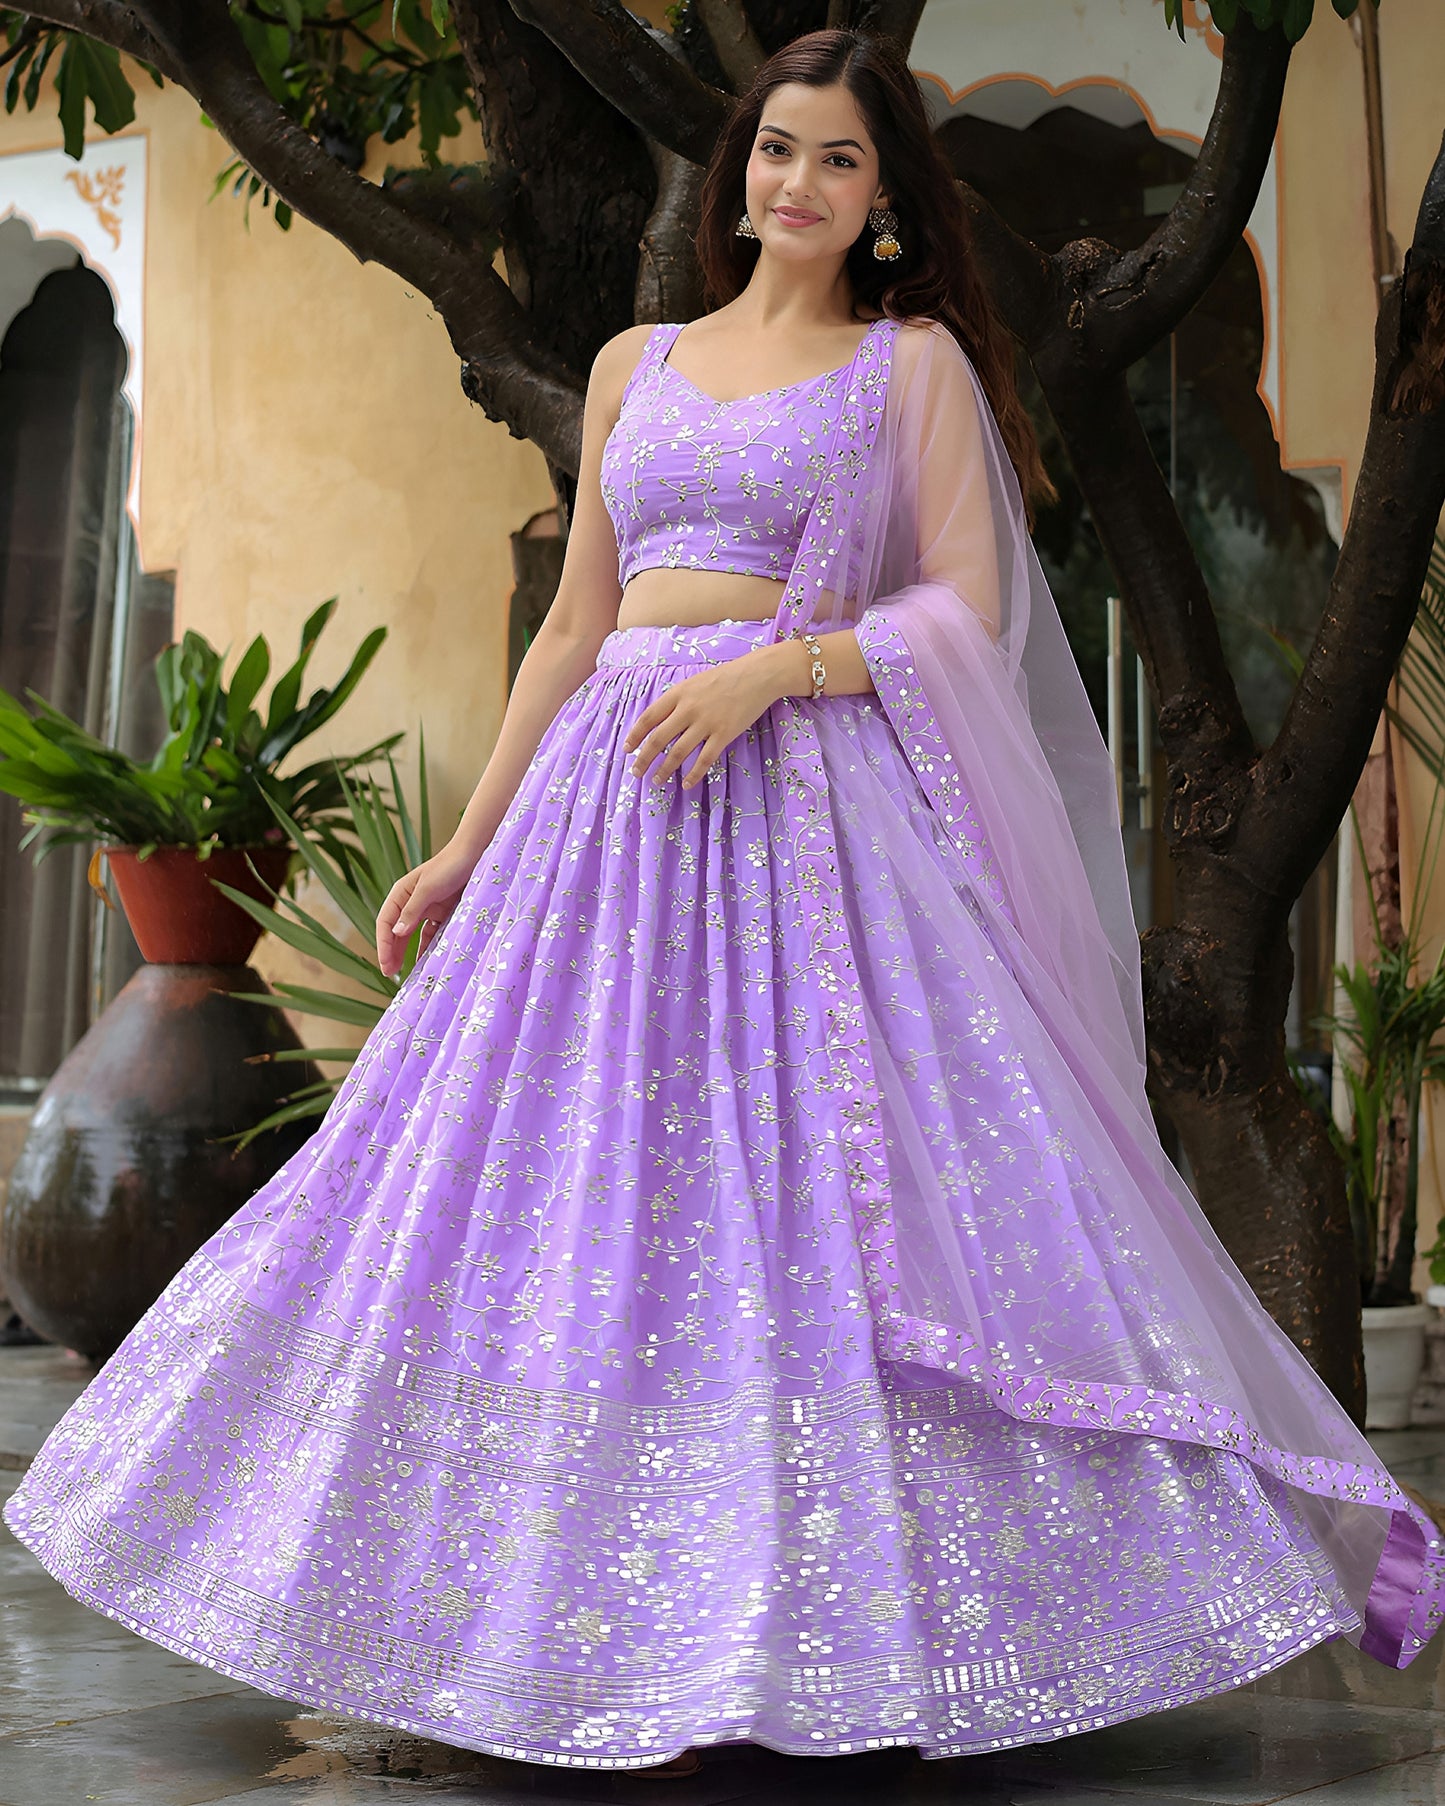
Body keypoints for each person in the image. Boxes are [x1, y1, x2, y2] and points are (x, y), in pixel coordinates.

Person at [6, 25, 1444, 1782]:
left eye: (839, 161)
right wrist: (465, 848)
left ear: (888, 202)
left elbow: (967, 613)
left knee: (800, 1201)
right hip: (603, 828)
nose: (797, 185)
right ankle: (530, 1620)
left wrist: (777, 672)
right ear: (739, 168)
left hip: (809, 818)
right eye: (777, 150)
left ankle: (825, 1623)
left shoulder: (902, 369)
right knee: (559, 1189)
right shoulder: (633, 364)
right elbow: (571, 625)